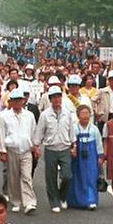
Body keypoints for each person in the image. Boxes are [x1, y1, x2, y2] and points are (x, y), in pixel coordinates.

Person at [33, 85, 76, 213]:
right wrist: (36, 146)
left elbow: (71, 131)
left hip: (64, 147)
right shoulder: (45, 115)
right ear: (50, 99)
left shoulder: (67, 113)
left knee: (67, 175)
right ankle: (54, 201)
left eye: (58, 97)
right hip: (51, 148)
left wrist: (74, 145)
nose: (57, 100)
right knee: (51, 177)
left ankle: (62, 196)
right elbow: (39, 131)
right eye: (54, 98)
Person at [0, 88, 38, 215]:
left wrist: (35, 146)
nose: (17, 103)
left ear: (23, 101)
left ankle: (29, 202)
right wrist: (2, 151)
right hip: (11, 149)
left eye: (19, 100)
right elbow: (1, 135)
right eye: (14, 100)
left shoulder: (29, 115)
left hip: (26, 150)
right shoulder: (3, 116)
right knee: (13, 177)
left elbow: (33, 132)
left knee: (26, 176)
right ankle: (16, 201)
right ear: (10, 102)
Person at [67, 105, 105, 210]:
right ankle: (74, 201)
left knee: (91, 178)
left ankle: (91, 201)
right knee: (76, 178)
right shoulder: (74, 128)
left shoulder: (94, 129)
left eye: (87, 113)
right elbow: (70, 142)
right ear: (78, 115)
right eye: (83, 113)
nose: (85, 116)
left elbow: (99, 144)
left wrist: (100, 157)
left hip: (91, 158)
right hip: (77, 158)